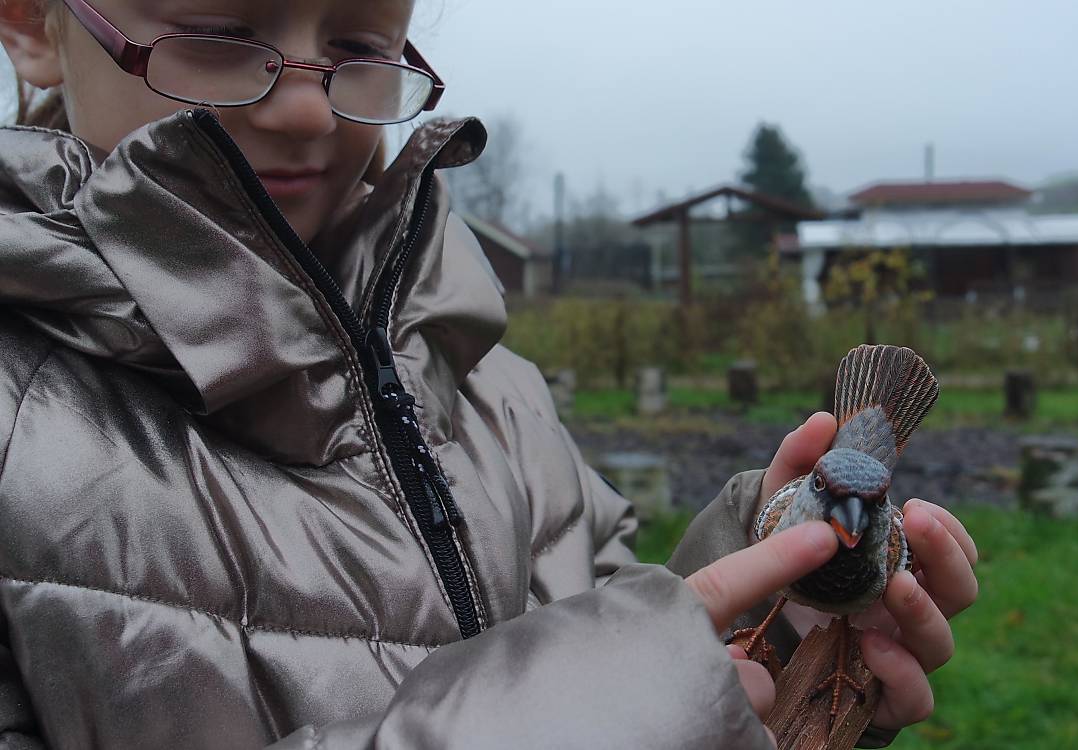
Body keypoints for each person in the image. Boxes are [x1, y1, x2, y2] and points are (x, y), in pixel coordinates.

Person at [0, 0, 978, 747]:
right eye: (216, 31)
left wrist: (761, 634)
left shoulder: (491, 385)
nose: (303, 105)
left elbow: (586, 639)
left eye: (358, 43)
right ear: (31, 26)